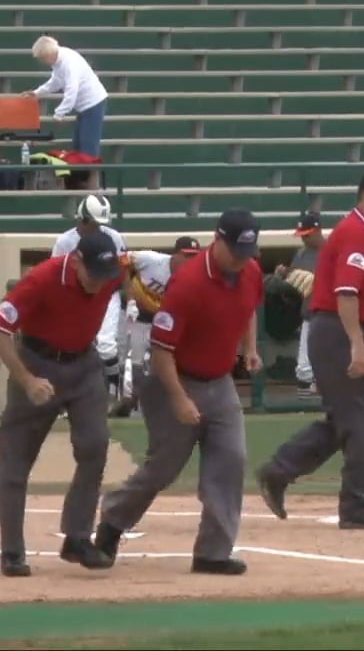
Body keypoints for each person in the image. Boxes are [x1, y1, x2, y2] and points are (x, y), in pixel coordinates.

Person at [96, 209, 264, 576]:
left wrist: (249, 348)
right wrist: (179, 399)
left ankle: (212, 553)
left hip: (219, 382)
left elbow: (249, 308)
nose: (240, 259)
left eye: (246, 252)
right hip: (173, 379)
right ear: (216, 240)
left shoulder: (249, 271)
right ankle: (112, 521)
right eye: (234, 250)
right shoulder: (188, 283)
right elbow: (161, 350)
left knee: (230, 461)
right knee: (164, 467)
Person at [256, 169, 364, 530]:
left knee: (345, 418)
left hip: (346, 329)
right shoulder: (355, 232)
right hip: (339, 330)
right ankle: (356, 505)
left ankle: (278, 471)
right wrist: (357, 342)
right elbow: (346, 293)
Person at [0, 231, 125, 577]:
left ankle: (77, 538)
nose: (98, 284)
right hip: (37, 362)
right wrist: (26, 379)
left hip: (83, 366)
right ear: (76, 261)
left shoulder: (114, 274)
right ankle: (12, 551)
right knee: (16, 459)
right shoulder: (42, 279)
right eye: (92, 274)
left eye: (104, 276)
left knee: (95, 445)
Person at [113, 235, 201, 418]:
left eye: (194, 256)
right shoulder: (152, 260)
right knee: (130, 363)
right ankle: (124, 404)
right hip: (134, 316)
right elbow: (121, 259)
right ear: (174, 255)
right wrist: (129, 297)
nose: (190, 260)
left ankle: (151, 408)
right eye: (186, 255)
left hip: (160, 322)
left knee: (160, 366)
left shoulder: (194, 276)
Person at [52, 194, 128, 403]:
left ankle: (115, 395)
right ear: (82, 219)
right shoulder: (65, 241)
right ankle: (69, 398)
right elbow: (56, 272)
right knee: (71, 346)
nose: (97, 228)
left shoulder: (113, 237)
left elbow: (124, 268)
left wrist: (129, 300)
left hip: (105, 292)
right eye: (93, 223)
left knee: (106, 345)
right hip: (73, 296)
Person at [24, 35, 109, 159]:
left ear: (49, 55)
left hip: (93, 104)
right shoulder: (58, 61)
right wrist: (37, 93)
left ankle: (90, 177)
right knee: (79, 147)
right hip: (84, 107)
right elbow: (56, 81)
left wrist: (59, 113)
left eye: (43, 58)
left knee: (88, 149)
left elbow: (71, 90)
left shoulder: (68, 63)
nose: (42, 61)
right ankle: (82, 177)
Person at [275, 210, 323, 399]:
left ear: (317, 231)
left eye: (307, 235)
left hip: (329, 313)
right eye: (302, 235)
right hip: (309, 312)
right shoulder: (302, 253)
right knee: (304, 367)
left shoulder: (331, 250)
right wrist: (285, 272)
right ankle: (306, 401)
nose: (303, 239)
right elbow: (297, 278)